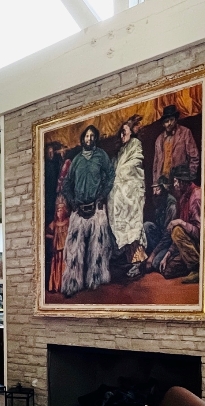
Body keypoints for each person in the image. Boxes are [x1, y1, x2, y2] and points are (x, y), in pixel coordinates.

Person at [60, 124, 115, 297]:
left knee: (98, 247)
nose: (89, 139)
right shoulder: (76, 160)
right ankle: (72, 283)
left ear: (95, 139)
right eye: (87, 136)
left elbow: (111, 176)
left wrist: (101, 197)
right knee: (74, 248)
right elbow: (67, 183)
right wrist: (72, 201)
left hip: (96, 208)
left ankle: (96, 280)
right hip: (79, 207)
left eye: (92, 136)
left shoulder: (101, 156)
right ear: (82, 138)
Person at [108, 117, 147, 272]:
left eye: (124, 132)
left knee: (133, 225)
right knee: (121, 225)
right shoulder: (121, 151)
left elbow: (136, 163)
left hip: (131, 193)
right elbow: (114, 169)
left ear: (131, 131)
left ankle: (138, 262)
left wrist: (121, 175)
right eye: (121, 133)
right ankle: (128, 259)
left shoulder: (135, 145)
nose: (122, 135)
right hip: (119, 195)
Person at [158, 164, 202, 283]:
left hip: (198, 247)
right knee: (167, 271)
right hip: (188, 247)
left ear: (184, 182)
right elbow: (181, 237)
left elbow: (201, 234)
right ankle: (190, 267)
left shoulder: (196, 197)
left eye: (176, 181)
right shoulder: (182, 199)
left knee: (177, 229)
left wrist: (181, 222)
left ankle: (198, 269)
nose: (175, 185)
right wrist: (168, 254)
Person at [152, 105, 200, 186]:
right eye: (166, 121)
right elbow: (155, 165)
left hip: (180, 181)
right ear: (163, 124)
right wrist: (156, 184)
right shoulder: (159, 139)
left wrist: (189, 177)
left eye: (171, 120)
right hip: (163, 183)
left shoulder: (185, 133)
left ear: (176, 120)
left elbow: (194, 156)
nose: (169, 123)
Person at [144, 175, 178, 271]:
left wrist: (153, 255)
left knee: (155, 264)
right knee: (147, 226)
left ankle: (165, 257)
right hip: (161, 238)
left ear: (164, 189)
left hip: (169, 241)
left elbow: (168, 235)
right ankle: (155, 254)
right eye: (154, 190)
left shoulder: (171, 205)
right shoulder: (159, 202)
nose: (155, 193)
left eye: (157, 190)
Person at [46, 195, 70, 292]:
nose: (59, 213)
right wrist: (54, 238)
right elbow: (46, 234)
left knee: (65, 267)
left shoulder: (69, 222)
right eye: (58, 211)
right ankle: (56, 285)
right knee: (56, 267)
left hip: (66, 250)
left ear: (65, 211)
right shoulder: (54, 224)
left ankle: (65, 286)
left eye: (61, 210)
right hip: (56, 251)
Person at [43, 142, 64, 226]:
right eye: (49, 152)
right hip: (48, 191)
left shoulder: (55, 163)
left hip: (54, 190)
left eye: (52, 152)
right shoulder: (45, 165)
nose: (51, 154)